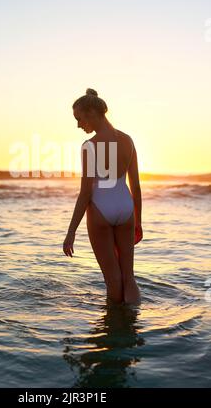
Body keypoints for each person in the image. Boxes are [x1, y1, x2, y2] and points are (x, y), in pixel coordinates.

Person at [63, 88, 143, 305]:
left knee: (113, 280)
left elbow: (86, 193)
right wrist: (138, 221)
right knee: (129, 277)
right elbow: (136, 187)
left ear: (91, 112)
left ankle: (114, 330)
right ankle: (134, 323)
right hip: (126, 209)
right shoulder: (128, 140)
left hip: (100, 210)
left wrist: (71, 233)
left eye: (79, 118)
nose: (78, 125)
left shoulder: (89, 146)